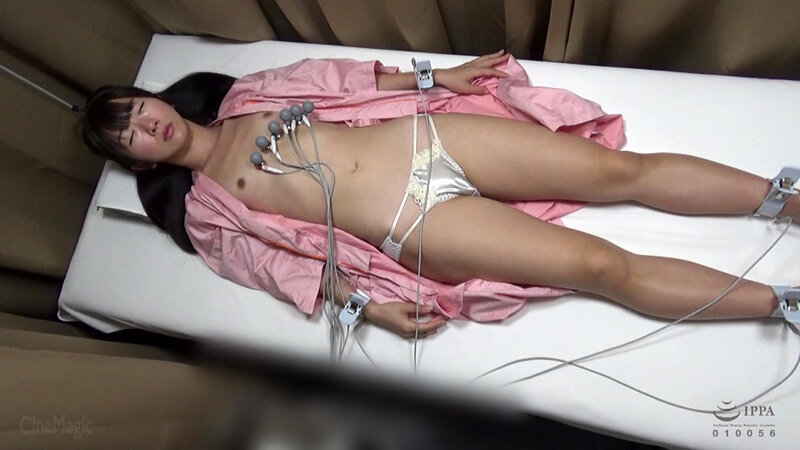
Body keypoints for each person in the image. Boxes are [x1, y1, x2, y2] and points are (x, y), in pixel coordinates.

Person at [82, 50, 799, 339]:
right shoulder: (207, 214)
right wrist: (367, 308)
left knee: (618, 172)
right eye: (130, 136)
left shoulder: (249, 94)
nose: (146, 124)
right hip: (415, 224)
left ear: (154, 96)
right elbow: (284, 269)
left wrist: (441, 78)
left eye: (137, 108)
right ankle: (782, 304)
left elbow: (348, 80)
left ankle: (785, 199)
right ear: (135, 162)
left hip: (427, 138)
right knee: (600, 268)